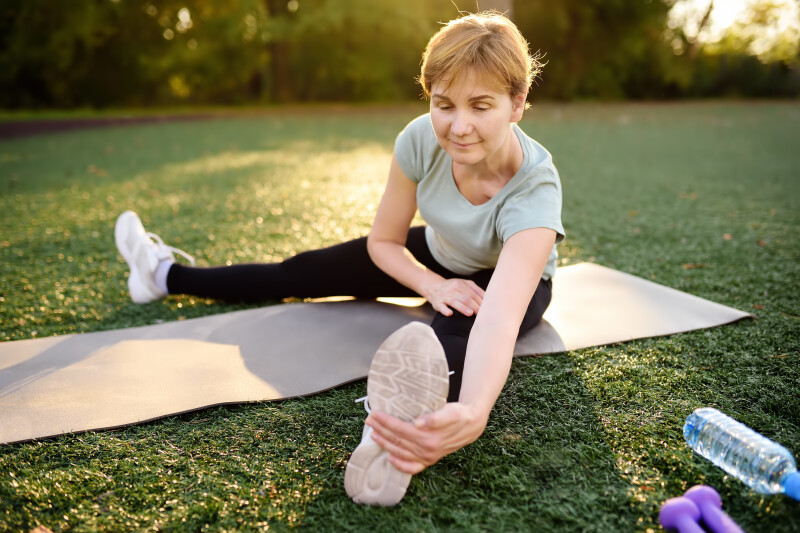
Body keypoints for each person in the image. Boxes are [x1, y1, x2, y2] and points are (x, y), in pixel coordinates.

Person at [115, 11, 564, 506]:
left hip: (506, 281)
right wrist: (432, 286)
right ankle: (161, 274)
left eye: (481, 106)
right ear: (429, 99)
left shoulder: (535, 190)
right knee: (301, 271)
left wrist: (476, 412)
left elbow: (498, 320)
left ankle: (385, 440)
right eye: (444, 104)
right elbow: (384, 244)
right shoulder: (419, 138)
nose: (459, 126)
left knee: (454, 335)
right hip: (438, 256)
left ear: (517, 104)